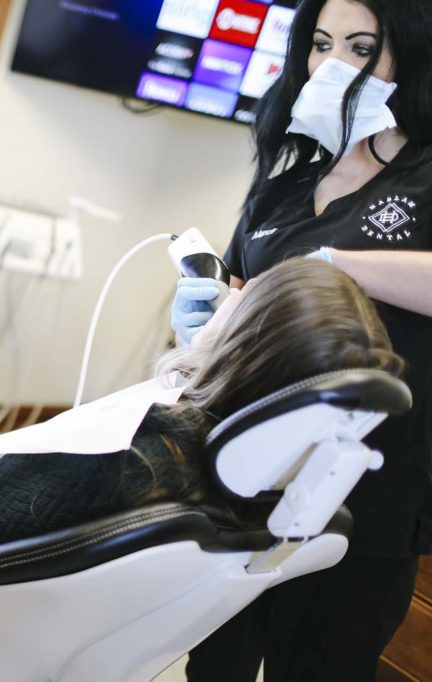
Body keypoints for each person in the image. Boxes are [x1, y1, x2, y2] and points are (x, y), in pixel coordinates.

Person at [0, 259, 401, 681]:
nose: (229, 296)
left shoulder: (140, 458)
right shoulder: (254, 491)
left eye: (245, 297)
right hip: (20, 619)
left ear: (250, 344)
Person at [170, 1, 432, 679]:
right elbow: (236, 287)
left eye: (362, 46)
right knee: (217, 664)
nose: (334, 64)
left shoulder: (426, 176)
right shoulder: (286, 186)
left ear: (409, 51)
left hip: (366, 488)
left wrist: (334, 267)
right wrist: (204, 321)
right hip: (243, 476)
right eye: (321, 44)